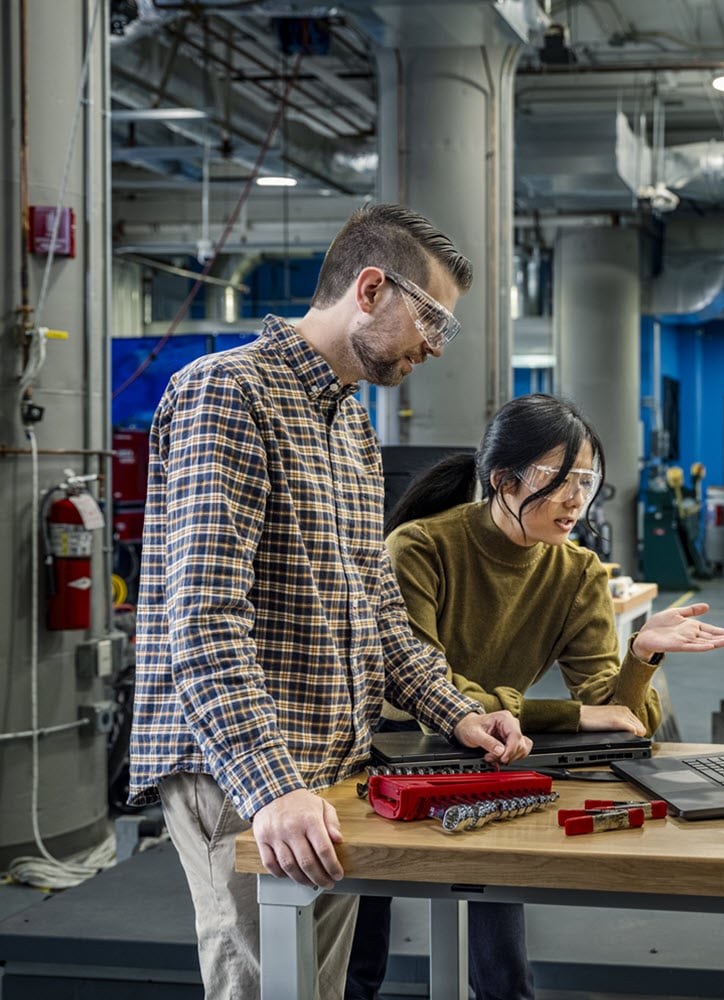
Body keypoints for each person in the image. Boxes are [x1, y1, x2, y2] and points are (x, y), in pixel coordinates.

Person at [128, 203, 532, 1000]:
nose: (434, 347)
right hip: (244, 773)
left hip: (328, 769)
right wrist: (271, 786)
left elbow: (377, 613)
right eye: (433, 321)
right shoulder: (226, 394)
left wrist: (458, 712)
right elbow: (204, 621)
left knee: (317, 987)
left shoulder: (350, 426)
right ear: (371, 289)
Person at [345, 392, 724, 1000]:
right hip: (390, 755)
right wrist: (564, 714)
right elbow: (422, 687)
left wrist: (641, 654)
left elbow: (626, 719)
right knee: (357, 958)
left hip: (496, 756)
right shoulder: (420, 547)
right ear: (503, 480)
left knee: (504, 974)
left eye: (587, 480)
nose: (577, 499)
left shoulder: (577, 572)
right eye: (560, 480)